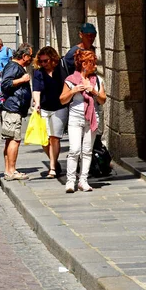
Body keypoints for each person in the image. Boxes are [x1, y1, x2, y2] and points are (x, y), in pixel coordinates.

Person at [60, 50, 106, 193]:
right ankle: (70, 181)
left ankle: (83, 181)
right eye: (92, 62)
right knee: (74, 150)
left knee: (87, 151)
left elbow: (103, 100)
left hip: (92, 118)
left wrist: (94, 91)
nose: (95, 65)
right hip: (75, 118)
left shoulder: (97, 80)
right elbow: (62, 100)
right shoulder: (71, 79)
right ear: (84, 64)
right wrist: (73, 91)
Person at [32, 47, 67, 178]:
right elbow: (36, 89)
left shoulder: (60, 69)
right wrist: (37, 103)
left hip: (59, 107)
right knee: (44, 140)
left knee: (54, 138)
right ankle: (55, 162)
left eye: (46, 61)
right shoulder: (39, 72)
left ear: (53, 59)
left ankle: (52, 168)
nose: (43, 64)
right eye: (41, 61)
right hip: (45, 108)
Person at [0, 43, 33, 181]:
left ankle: (8, 170)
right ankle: (11, 171)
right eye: (30, 56)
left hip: (13, 108)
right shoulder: (14, 67)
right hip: (13, 108)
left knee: (10, 139)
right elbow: (6, 84)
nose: (32, 59)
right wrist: (22, 80)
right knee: (14, 139)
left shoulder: (13, 66)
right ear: (24, 56)